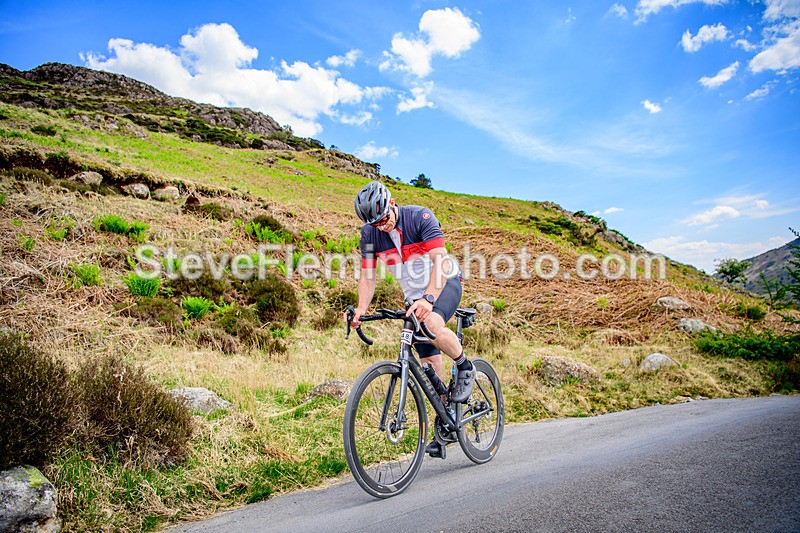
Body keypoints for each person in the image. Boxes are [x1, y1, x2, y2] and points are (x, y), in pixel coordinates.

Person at [346, 181, 474, 458]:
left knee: (431, 325)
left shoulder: (420, 217)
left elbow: (440, 261)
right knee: (430, 367)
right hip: (413, 295)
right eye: (374, 223)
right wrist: (360, 309)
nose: (381, 226)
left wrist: (428, 298)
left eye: (383, 219)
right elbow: (368, 275)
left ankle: (465, 366)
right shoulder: (369, 234)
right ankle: (446, 422)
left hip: (444, 282)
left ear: (392, 204)